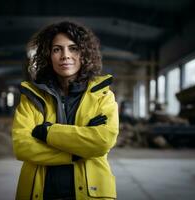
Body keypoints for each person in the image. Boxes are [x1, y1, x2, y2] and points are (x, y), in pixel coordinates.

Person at [12, 21, 119, 200]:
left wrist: (47, 132)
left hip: (91, 194)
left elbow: (102, 141)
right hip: (40, 193)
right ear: (48, 55)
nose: (65, 56)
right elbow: (23, 147)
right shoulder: (32, 97)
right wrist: (78, 151)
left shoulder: (103, 96)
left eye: (73, 48)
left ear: (84, 53)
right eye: (57, 49)